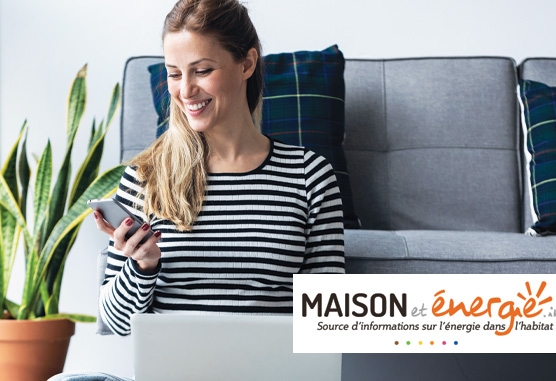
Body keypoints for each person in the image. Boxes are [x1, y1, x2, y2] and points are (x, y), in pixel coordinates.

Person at [49, 0, 344, 379]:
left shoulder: (309, 176)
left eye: (202, 70)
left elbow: (326, 326)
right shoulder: (146, 177)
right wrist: (142, 266)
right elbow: (114, 322)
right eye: (174, 74)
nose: (186, 90)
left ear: (247, 64)